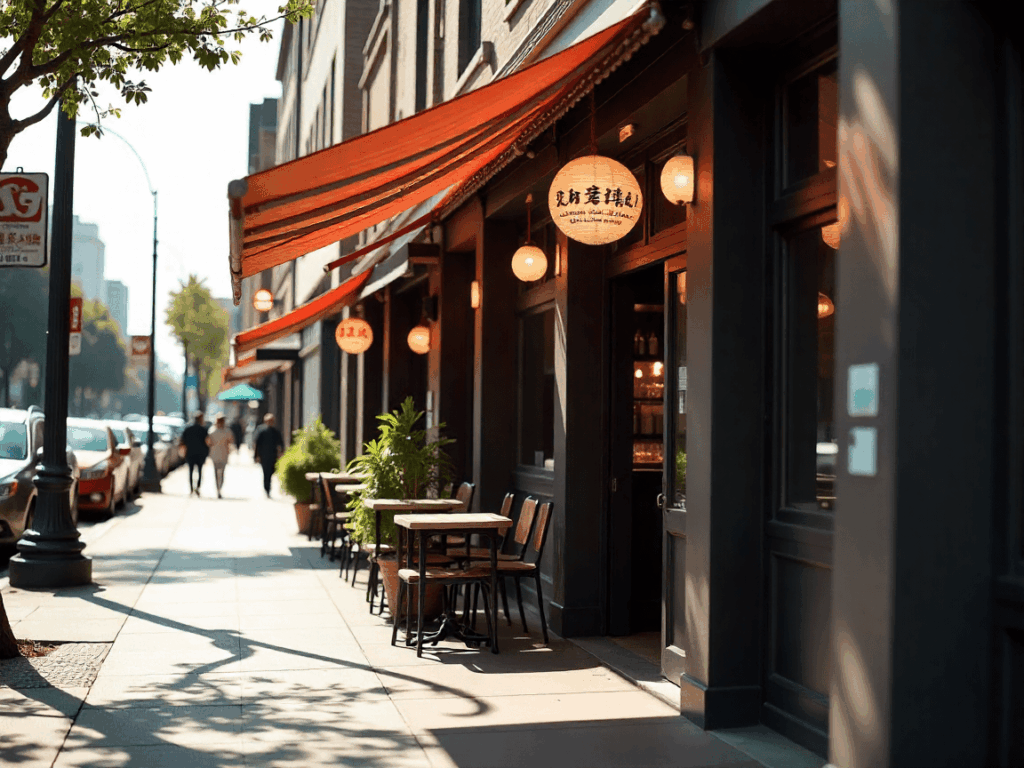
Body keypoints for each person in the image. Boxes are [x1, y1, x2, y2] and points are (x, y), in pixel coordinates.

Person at [253, 413, 284, 498]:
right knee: (265, 472)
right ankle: (267, 488)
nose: (270, 423)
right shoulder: (261, 431)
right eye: (269, 421)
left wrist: (281, 453)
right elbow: (257, 444)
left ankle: (268, 487)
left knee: (271, 472)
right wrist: (256, 456)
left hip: (273, 455)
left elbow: (280, 444)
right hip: (263, 456)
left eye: (272, 421)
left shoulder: (276, 432)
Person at [180, 411, 209, 496]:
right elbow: (207, 442)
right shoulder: (203, 430)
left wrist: (183, 452)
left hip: (190, 453)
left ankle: (191, 488)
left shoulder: (188, 429)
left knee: (190, 471)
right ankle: (198, 487)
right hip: (200, 454)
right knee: (200, 471)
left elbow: (182, 441)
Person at [207, 415, 234, 499]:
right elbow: (231, 441)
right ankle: (220, 488)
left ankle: (217, 488)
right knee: (222, 472)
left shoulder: (212, 430)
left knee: (216, 472)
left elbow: (208, 442)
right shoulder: (227, 431)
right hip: (224, 454)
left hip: (214, 454)